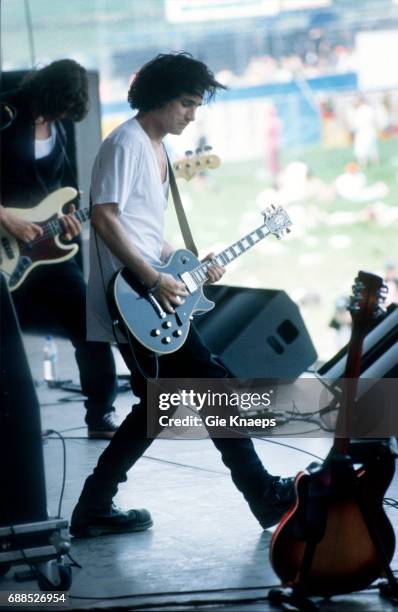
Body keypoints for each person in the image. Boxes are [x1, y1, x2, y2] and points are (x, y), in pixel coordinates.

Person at [71, 53, 295, 537]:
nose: (192, 115)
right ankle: (263, 495)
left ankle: (93, 507)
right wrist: (153, 280)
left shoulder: (156, 148)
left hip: (151, 294)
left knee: (156, 406)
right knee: (210, 382)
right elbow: (106, 219)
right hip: (134, 298)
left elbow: (145, 233)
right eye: (186, 104)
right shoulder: (125, 144)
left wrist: (188, 264)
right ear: (159, 98)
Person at [0, 59, 118, 439]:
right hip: (6, 245)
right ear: (48, 92)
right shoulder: (5, 112)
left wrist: (68, 218)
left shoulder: (60, 126)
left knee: (91, 322)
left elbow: (61, 189)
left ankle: (100, 415)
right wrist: (6, 218)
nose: (64, 114)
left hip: (45, 251)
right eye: (61, 106)